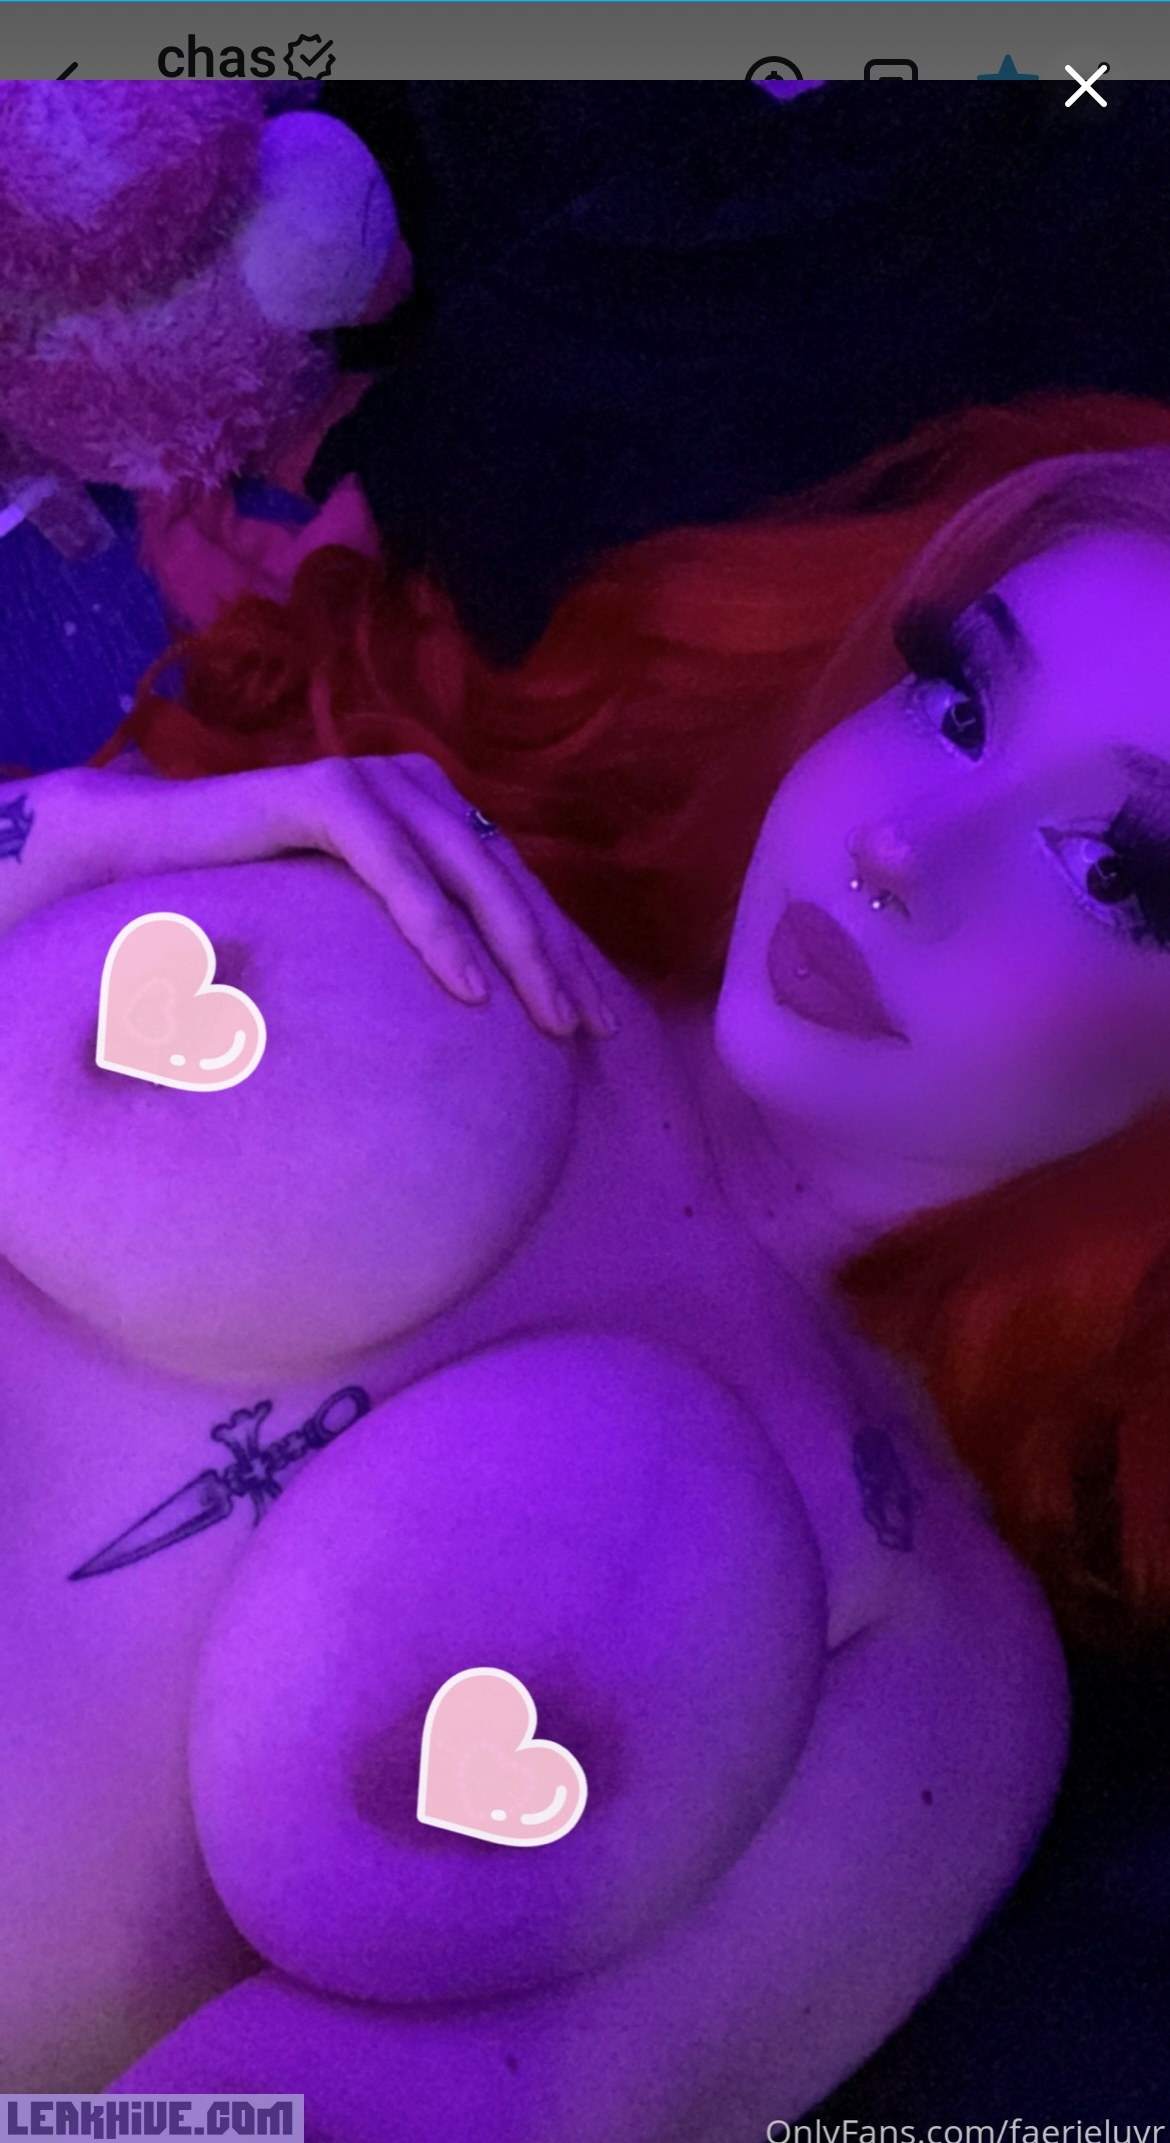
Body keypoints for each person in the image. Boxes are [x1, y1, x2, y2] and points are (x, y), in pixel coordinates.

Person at [7, 431, 1170, 2138]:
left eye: (1114, 869)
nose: (899, 850)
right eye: (953, 701)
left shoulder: (930, 1658)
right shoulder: (411, 873)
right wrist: (81, 837)